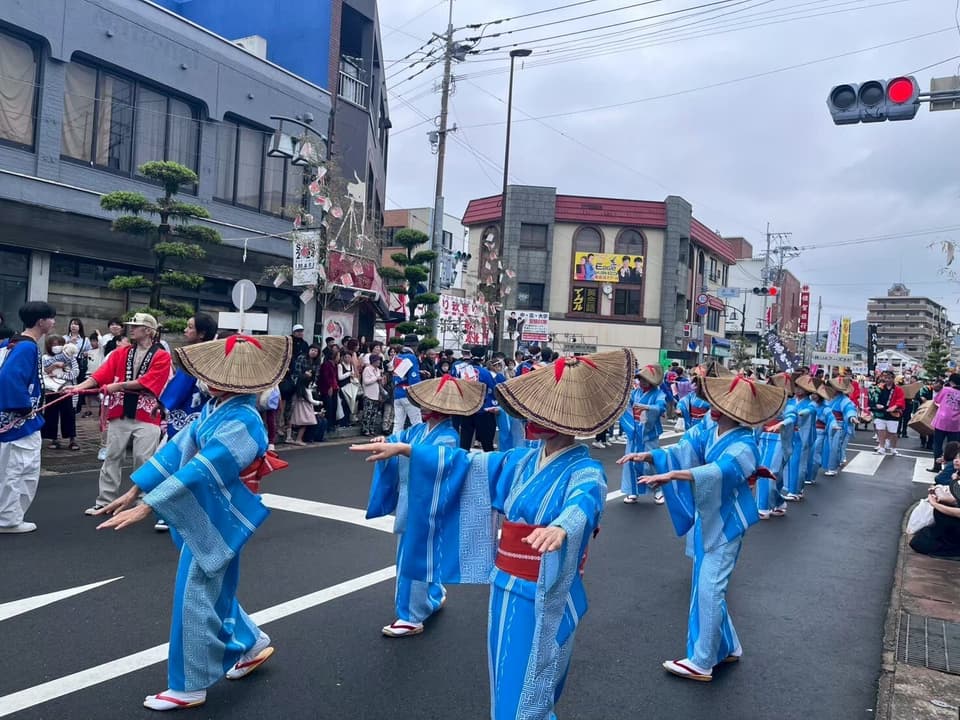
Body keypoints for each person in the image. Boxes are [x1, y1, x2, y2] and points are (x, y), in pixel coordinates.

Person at [351, 349, 633, 718]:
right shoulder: (522, 459)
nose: (530, 420)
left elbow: (585, 500)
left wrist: (565, 526)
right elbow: (468, 464)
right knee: (504, 677)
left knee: (532, 683)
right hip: (505, 583)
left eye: (537, 414)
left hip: (543, 586)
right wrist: (407, 449)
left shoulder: (585, 469)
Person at [94, 334, 291, 711]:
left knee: (194, 593)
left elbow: (203, 468)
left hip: (221, 515)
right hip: (207, 512)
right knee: (210, 588)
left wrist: (149, 505)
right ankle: (251, 644)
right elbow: (177, 449)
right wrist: (135, 491)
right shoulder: (219, 409)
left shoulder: (245, 421)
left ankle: (189, 685)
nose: (202, 379)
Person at [619, 374, 786, 682]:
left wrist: (673, 477)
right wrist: (650, 456)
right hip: (710, 517)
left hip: (727, 522)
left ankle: (703, 659)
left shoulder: (745, 443)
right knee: (706, 585)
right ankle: (728, 645)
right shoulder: (711, 429)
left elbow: (719, 471)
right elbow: (681, 449)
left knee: (710, 588)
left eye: (719, 403)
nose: (712, 406)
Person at [364, 375, 484, 636]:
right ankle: (432, 593)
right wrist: (384, 441)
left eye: (429, 405)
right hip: (415, 500)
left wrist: (403, 450)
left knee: (411, 557)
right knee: (424, 554)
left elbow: (440, 460)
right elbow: (399, 438)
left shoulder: (449, 436)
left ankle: (411, 615)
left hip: (428, 504)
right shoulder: (418, 430)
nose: (424, 408)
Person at [70, 313, 171, 515]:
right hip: (120, 410)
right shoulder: (121, 353)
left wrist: (119, 385)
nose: (131, 329)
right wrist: (78, 387)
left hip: (147, 412)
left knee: (143, 458)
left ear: (149, 330)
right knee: (112, 456)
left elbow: (149, 382)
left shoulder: (162, 356)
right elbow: (100, 375)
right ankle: (105, 500)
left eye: (136, 326)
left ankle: (142, 500)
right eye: (131, 326)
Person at [0, 301, 56, 533]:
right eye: (51, 318)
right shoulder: (27, 347)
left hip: (14, 420)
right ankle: (9, 519)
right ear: (41, 321)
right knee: (21, 469)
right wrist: (24, 407)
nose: (53, 322)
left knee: (11, 469)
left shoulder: (12, 342)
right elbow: (8, 378)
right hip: (20, 422)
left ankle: (8, 515)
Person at [620, 364, 667, 505]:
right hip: (634, 433)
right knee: (630, 462)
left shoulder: (659, 394)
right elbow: (626, 406)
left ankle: (658, 490)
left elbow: (660, 407)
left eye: (644, 379)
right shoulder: (635, 393)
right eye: (640, 379)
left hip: (649, 433)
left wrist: (647, 408)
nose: (641, 382)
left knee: (651, 462)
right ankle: (632, 491)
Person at [754, 373, 795, 518]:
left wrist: (781, 423)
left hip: (778, 440)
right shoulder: (766, 402)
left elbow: (792, 416)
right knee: (765, 473)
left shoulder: (790, 404)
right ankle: (776, 503)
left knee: (769, 472)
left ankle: (764, 507)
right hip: (764, 438)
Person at [450, 345, 502, 452]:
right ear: (483, 358)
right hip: (483, 410)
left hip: (466, 409)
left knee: (464, 445)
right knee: (487, 445)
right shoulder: (485, 373)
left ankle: (462, 466)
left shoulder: (461, 370)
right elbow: (493, 389)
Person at [41, 334, 79, 450]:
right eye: (54, 345)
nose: (57, 347)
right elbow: (44, 371)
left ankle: (72, 439)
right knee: (51, 414)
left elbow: (75, 373)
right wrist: (54, 365)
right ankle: (53, 439)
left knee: (69, 414)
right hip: (51, 390)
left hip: (66, 389)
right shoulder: (45, 358)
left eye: (60, 344)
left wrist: (60, 374)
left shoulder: (71, 357)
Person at [822, 375, 858, 476]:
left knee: (835, 447)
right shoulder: (827, 398)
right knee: (828, 446)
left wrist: (852, 417)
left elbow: (849, 409)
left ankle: (833, 467)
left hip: (838, 425)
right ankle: (829, 464)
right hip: (828, 424)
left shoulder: (844, 400)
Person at [930, 374, 960, 473]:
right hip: (955, 423)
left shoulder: (946, 389)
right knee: (953, 447)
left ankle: (937, 466)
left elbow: (937, 400)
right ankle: (950, 468)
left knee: (938, 444)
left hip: (942, 421)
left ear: (951, 381)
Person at [391, 344, 422, 435]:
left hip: (397, 392)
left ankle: (394, 444)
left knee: (398, 423)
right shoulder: (411, 357)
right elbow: (414, 378)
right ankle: (417, 445)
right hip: (408, 393)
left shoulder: (397, 357)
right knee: (416, 422)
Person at [360, 355, 385, 436]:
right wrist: (376, 378)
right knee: (367, 413)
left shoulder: (378, 370)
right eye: (377, 360)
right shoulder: (367, 369)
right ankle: (365, 430)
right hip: (368, 394)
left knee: (374, 414)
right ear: (373, 361)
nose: (379, 362)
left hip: (376, 394)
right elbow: (366, 381)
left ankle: (371, 429)